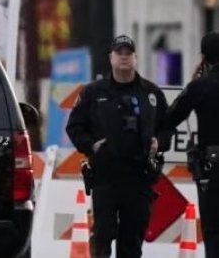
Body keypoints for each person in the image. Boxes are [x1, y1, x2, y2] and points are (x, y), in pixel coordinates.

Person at [66, 34, 170, 258]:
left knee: (132, 243)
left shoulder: (151, 93)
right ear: (110, 57)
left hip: (139, 177)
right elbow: (74, 127)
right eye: (119, 53)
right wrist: (91, 146)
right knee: (103, 239)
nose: (124, 57)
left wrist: (159, 142)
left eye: (128, 53)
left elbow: (167, 126)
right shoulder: (94, 93)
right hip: (106, 177)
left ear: (135, 57)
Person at [163, 31, 219, 258]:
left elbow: (170, 117)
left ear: (204, 57)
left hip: (213, 168)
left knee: (214, 231)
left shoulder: (200, 87)